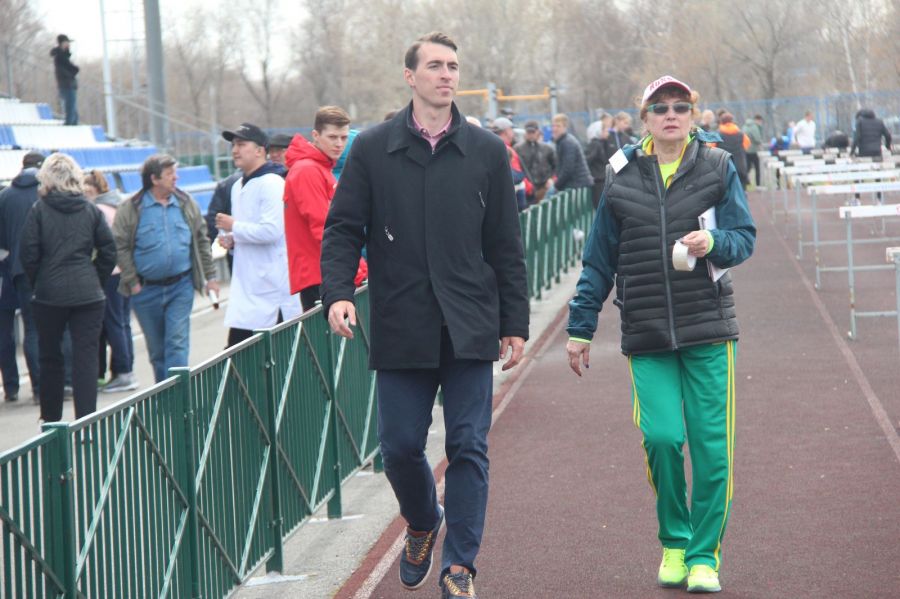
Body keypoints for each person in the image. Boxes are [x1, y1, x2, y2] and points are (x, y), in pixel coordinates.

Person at [320, 32, 529, 599]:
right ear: (410, 77)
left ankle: (459, 565)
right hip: (401, 320)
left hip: (469, 324)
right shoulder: (372, 148)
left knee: (468, 444)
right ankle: (422, 519)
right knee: (400, 447)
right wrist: (338, 292)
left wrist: (515, 323)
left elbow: (506, 244)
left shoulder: (485, 151)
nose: (446, 74)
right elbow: (342, 229)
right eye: (434, 66)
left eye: (453, 66)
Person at [566, 75, 756, 594]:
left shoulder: (717, 166)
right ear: (644, 117)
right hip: (646, 332)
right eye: (659, 106)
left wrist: (713, 241)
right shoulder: (621, 175)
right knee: (663, 438)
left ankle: (703, 557)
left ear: (693, 114)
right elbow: (598, 260)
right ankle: (674, 540)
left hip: (709, 328)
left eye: (679, 105)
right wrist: (580, 328)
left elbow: (743, 240)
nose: (670, 113)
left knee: (713, 451)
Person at [19, 153, 117, 421]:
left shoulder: (39, 210)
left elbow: (28, 253)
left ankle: (51, 422)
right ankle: (86, 422)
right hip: (88, 294)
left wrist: (40, 281)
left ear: (47, 179)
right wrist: (95, 278)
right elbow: (108, 250)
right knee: (86, 358)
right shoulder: (90, 210)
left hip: (49, 295)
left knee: (51, 357)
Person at [112, 154, 219, 383]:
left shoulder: (185, 203)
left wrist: (210, 276)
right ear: (154, 179)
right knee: (158, 351)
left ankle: (179, 400)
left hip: (181, 285)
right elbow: (120, 246)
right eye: (170, 174)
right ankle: (165, 398)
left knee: (177, 343)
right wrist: (133, 283)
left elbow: (201, 240)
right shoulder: (131, 208)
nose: (176, 177)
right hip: (145, 291)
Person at [215, 123, 300, 346]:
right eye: (234, 145)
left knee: (273, 359)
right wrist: (233, 239)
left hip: (272, 290)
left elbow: (272, 231)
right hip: (247, 286)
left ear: (260, 151)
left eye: (242, 144)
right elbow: (250, 229)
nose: (235, 150)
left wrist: (234, 226)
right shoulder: (237, 186)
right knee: (239, 359)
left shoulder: (272, 182)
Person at [284, 106, 367, 312]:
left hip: (327, 275)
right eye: (332, 137)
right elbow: (325, 228)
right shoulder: (308, 171)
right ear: (315, 135)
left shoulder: (318, 168)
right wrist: (358, 272)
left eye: (344, 137)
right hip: (323, 277)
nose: (339, 144)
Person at [83, 170, 139, 393]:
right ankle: (125, 370)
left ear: (94, 191)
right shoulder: (119, 205)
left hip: (110, 273)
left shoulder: (98, 210)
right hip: (124, 270)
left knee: (113, 323)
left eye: (86, 192)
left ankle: (123, 372)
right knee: (123, 322)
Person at [0, 151, 45, 403]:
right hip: (44, 268)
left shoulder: (5, 196)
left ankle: (14, 387)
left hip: (13, 270)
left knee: (20, 331)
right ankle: (44, 387)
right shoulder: (47, 191)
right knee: (41, 328)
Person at [491, 116, 531, 211]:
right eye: (511, 130)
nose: (513, 133)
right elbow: (514, 174)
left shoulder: (500, 147)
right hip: (513, 201)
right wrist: (530, 189)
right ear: (506, 131)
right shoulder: (504, 149)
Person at [515, 119, 556, 204]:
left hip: (544, 187)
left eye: (532, 132)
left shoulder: (547, 149)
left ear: (537, 132)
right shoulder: (518, 148)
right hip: (527, 189)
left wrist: (551, 179)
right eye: (528, 132)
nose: (531, 135)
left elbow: (556, 166)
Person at [551, 113, 593, 192]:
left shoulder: (567, 142)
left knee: (550, 193)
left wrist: (556, 185)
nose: (555, 129)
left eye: (558, 126)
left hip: (577, 185)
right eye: (553, 126)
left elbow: (567, 169)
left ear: (565, 127)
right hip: (577, 184)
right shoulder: (562, 141)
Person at [714, 113, 750, 188]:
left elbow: (711, 149)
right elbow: (747, 145)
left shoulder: (717, 135)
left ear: (721, 122)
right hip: (740, 167)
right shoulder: (741, 134)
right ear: (732, 121)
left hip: (723, 169)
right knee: (741, 192)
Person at [50, 34, 79, 126]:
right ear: (62, 44)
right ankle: (69, 126)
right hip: (67, 85)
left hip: (68, 84)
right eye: (66, 43)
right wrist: (73, 71)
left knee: (73, 109)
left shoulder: (63, 56)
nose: (68, 45)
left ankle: (73, 125)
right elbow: (66, 70)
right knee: (70, 108)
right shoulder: (60, 56)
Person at [585, 114, 613, 208]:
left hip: (601, 179)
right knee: (599, 206)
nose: (607, 133)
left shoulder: (601, 143)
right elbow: (587, 160)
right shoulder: (595, 144)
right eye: (605, 130)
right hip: (598, 181)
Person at [743, 115, 764, 188]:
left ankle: (744, 183)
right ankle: (758, 185)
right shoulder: (754, 127)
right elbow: (757, 138)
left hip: (745, 149)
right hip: (753, 150)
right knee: (757, 168)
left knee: (747, 167)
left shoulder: (745, 126)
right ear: (758, 120)